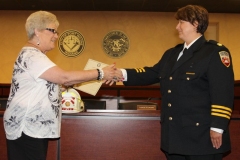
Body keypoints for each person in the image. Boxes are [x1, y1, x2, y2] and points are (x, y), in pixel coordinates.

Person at [111, 5, 234, 160]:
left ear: (195, 23)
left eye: (181, 22)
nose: (177, 27)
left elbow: (223, 92)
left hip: (202, 138)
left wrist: (218, 127)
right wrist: (119, 73)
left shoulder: (214, 52)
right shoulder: (172, 54)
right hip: (175, 137)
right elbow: (151, 73)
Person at [3, 11, 120, 160]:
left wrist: (94, 78)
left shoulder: (35, 56)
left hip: (30, 127)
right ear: (37, 31)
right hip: (27, 128)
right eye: (52, 30)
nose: (56, 36)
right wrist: (101, 73)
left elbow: (59, 82)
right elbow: (64, 77)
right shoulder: (32, 56)